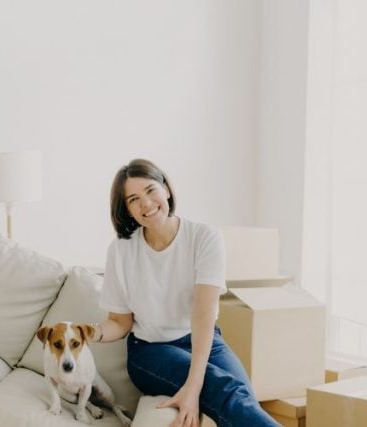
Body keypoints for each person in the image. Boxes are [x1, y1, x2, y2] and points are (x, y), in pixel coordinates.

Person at [93, 159, 279, 427]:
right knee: (225, 392)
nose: (145, 203)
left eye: (150, 190)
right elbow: (120, 322)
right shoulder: (121, 251)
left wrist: (193, 388)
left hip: (204, 340)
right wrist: (91, 332)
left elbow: (203, 315)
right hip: (151, 352)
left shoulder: (204, 237)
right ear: (127, 209)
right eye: (133, 199)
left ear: (166, 189)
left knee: (242, 397)